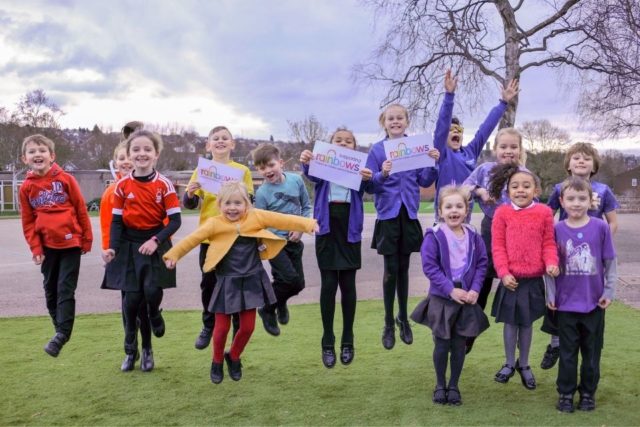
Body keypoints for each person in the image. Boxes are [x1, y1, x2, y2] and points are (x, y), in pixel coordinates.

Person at [163, 182, 317, 383]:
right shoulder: (214, 223)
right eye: (227, 203)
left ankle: (233, 356)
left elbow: (282, 219)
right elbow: (192, 239)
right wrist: (174, 255)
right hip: (227, 282)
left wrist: (309, 224)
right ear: (219, 205)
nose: (232, 208)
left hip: (252, 279)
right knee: (222, 328)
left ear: (246, 204)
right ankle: (217, 361)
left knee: (247, 328)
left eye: (238, 203)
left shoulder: (256, 217)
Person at [102, 130, 181, 372]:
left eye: (147, 149)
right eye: (136, 150)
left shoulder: (164, 184)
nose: (141, 154)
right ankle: (132, 349)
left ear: (156, 154)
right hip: (128, 245)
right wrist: (112, 249)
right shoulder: (122, 186)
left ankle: (155, 319)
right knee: (132, 300)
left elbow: (175, 221)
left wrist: (156, 241)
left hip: (155, 242)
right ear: (129, 154)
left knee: (150, 294)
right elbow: (116, 222)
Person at [364, 103, 440, 350]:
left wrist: (433, 163)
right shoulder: (376, 151)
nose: (395, 122)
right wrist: (382, 174)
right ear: (383, 123)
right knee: (390, 270)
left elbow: (425, 180)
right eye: (390, 118)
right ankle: (388, 322)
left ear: (406, 122)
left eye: (399, 118)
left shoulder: (416, 148)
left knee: (404, 269)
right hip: (387, 215)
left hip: (408, 213)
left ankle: (402, 319)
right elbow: (367, 186)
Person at [540, 142, 619, 370]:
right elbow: (548, 216)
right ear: (568, 164)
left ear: (594, 164)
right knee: (557, 294)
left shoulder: (603, 190)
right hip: (564, 250)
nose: (581, 161)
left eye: (586, 158)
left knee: (585, 296)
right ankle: (555, 343)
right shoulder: (559, 188)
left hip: (591, 252)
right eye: (576, 158)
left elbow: (612, 222)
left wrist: (599, 241)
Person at [299, 128, 373, 368]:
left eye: (348, 141)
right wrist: (306, 162)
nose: (343, 144)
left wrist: (369, 177)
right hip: (327, 225)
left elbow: (370, 188)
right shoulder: (323, 165)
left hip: (349, 225)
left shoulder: (360, 167)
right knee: (329, 284)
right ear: (330, 144)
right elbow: (312, 176)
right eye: (338, 140)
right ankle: (328, 340)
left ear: (354, 146)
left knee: (348, 285)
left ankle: (348, 339)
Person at [411, 185, 489, 406]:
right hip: (443, 298)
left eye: (459, 206)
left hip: (465, 298)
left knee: (459, 344)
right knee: (442, 344)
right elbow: (430, 267)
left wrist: (475, 289)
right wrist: (449, 289)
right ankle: (440, 385)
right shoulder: (434, 236)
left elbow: (482, 264)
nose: (454, 211)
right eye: (448, 206)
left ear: (466, 210)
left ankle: (454, 385)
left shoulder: (474, 236)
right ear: (440, 210)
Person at [545, 177, 617, 413]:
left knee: (591, 354)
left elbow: (609, 262)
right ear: (562, 202)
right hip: (565, 305)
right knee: (567, 354)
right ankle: (565, 394)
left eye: (582, 198)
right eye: (571, 199)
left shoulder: (601, 227)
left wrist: (609, 290)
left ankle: (587, 393)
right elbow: (549, 265)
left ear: (591, 201)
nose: (576, 203)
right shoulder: (555, 230)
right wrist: (551, 295)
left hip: (594, 304)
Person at [19, 134, 93, 357]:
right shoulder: (26, 188)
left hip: (70, 244)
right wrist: (35, 248)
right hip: (47, 248)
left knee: (64, 289)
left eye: (42, 151)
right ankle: (58, 327)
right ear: (25, 159)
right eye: (32, 152)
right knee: (50, 292)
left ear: (52, 156)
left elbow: (81, 209)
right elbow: (28, 221)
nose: (37, 154)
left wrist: (86, 239)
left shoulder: (66, 179)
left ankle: (63, 334)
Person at [182, 126, 254, 350]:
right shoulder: (201, 171)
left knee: (234, 283)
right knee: (208, 284)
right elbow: (191, 204)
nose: (220, 141)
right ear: (208, 145)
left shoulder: (242, 171)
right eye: (216, 138)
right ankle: (208, 324)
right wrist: (190, 194)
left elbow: (250, 200)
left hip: (235, 237)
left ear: (232, 144)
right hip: (209, 237)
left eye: (225, 138)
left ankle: (233, 330)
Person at [489, 164, 559, 390]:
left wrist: (551, 262)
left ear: (536, 190)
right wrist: (504, 273)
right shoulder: (502, 213)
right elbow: (497, 246)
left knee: (526, 324)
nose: (520, 190)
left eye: (526, 186)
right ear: (508, 191)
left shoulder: (544, 213)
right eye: (515, 186)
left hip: (533, 281)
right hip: (510, 280)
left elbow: (549, 242)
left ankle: (525, 365)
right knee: (510, 324)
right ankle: (509, 363)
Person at [461, 127, 527, 353]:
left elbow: (534, 201)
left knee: (514, 285)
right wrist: (479, 191)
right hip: (491, 230)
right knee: (484, 281)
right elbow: (463, 188)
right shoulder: (484, 170)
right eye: (504, 147)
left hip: (518, 233)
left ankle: (517, 349)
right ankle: (469, 333)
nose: (508, 151)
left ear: (520, 149)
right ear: (496, 149)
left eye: (513, 147)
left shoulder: (524, 174)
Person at [432, 69, 519, 220]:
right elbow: (441, 127)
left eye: (459, 130)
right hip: (444, 218)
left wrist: (503, 103)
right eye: (451, 130)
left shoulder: (470, 152)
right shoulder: (442, 153)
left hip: (465, 218)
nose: (456, 133)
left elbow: (485, 129)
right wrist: (449, 96)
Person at [99, 137, 153, 371]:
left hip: (145, 250)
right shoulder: (112, 192)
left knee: (145, 304)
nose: (126, 162)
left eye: (127, 158)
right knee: (128, 304)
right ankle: (130, 351)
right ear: (118, 161)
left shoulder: (154, 186)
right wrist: (108, 249)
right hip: (121, 252)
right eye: (121, 158)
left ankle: (147, 349)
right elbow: (106, 223)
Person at [252, 144, 312, 336]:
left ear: (281, 162)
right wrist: (262, 243)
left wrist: (300, 228)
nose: (267, 171)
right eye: (262, 168)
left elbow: (306, 206)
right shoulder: (262, 193)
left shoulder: (296, 181)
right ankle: (267, 308)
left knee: (298, 284)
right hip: (274, 243)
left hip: (295, 241)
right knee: (291, 281)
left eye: (271, 165)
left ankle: (280, 301)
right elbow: (260, 222)